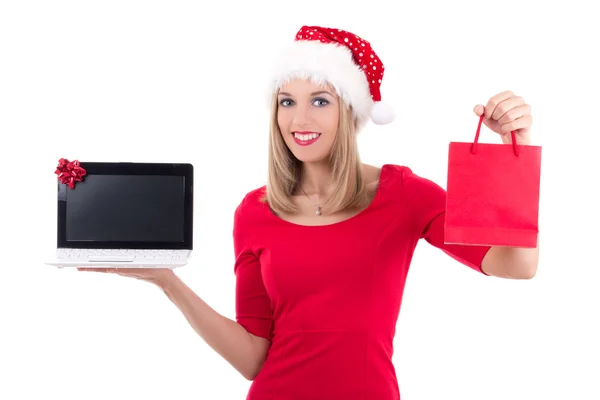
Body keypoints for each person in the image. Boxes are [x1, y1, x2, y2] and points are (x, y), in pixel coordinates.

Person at [79, 25, 539, 399]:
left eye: (320, 101)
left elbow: (515, 266)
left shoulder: (402, 193)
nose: (300, 120)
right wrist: (166, 281)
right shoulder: (254, 212)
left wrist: (512, 151)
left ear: (350, 111)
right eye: (287, 102)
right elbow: (252, 360)